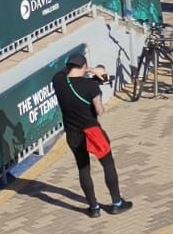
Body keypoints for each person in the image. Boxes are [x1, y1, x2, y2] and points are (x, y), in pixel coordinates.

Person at [49, 54, 131, 219]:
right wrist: (95, 72)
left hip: (73, 134)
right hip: (92, 131)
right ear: (84, 66)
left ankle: (93, 208)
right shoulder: (90, 85)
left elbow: (65, 71)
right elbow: (100, 110)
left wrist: (87, 69)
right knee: (108, 164)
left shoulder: (58, 81)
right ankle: (116, 203)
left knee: (83, 168)